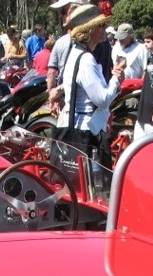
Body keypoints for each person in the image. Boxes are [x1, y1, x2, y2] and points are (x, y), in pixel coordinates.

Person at [56, 2, 123, 168]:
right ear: (90, 29)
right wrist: (116, 78)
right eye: (101, 25)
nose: (105, 28)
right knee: (93, 186)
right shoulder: (86, 60)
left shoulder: (77, 53)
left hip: (78, 126)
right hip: (86, 132)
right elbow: (102, 99)